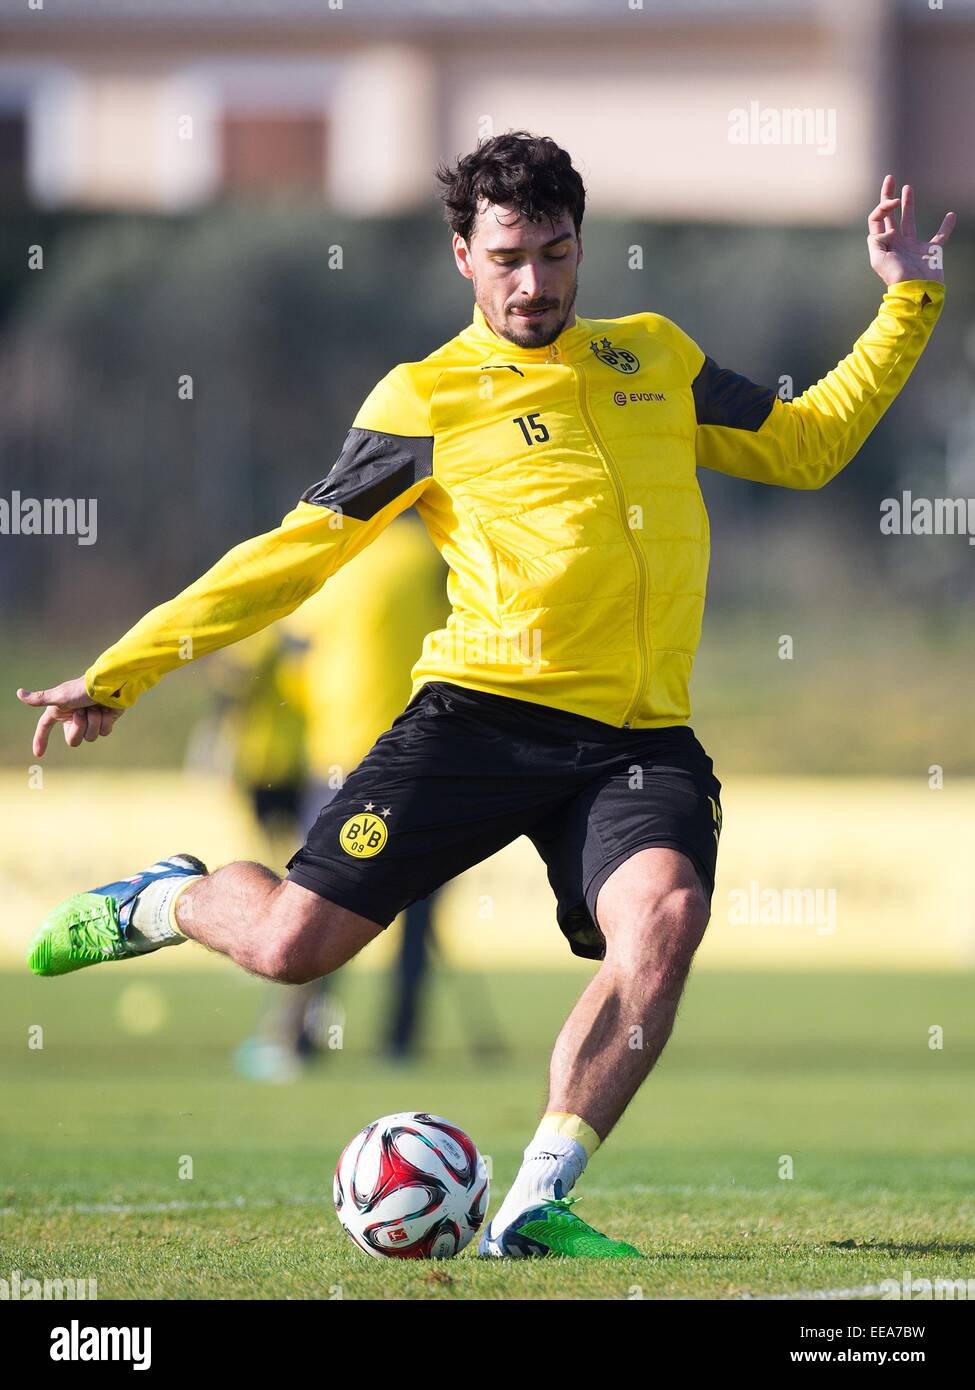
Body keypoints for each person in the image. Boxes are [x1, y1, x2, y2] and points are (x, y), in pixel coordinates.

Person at [19, 132, 953, 1259]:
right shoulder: (426, 398)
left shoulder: (654, 356)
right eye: (508, 255)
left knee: (665, 919)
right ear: (463, 255)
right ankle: (166, 900)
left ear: (579, 246)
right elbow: (293, 555)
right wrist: (125, 668)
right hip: (479, 718)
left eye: (556, 253)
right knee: (290, 949)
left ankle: (536, 1199)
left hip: (636, 740)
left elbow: (806, 449)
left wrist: (904, 306)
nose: (535, 282)